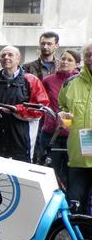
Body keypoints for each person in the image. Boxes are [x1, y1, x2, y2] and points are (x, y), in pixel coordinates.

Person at [58, 42, 92, 214]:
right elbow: (62, 108)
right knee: (76, 205)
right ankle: (78, 231)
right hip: (78, 155)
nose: (91, 58)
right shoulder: (71, 83)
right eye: (88, 55)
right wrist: (64, 118)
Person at [40, 49, 80, 187]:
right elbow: (42, 103)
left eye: (69, 60)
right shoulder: (48, 80)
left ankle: (72, 199)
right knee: (51, 172)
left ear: (77, 64)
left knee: (73, 173)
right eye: (63, 59)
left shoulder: (81, 82)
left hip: (74, 135)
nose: (65, 62)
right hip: (51, 133)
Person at [22, 32, 60, 162]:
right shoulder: (27, 67)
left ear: (56, 46)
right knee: (33, 150)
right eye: (43, 43)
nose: (45, 46)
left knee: (54, 153)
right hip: (35, 113)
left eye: (49, 43)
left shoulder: (62, 66)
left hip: (55, 114)